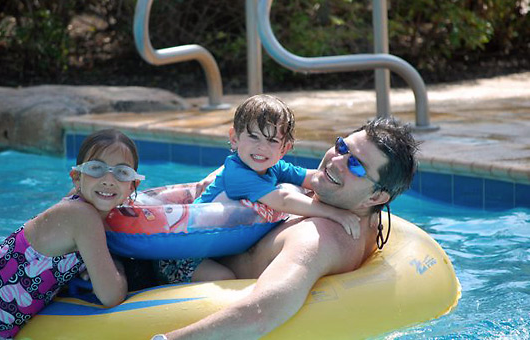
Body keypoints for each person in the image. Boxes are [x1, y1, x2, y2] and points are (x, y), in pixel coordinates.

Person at [151, 116, 418, 340]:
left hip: (164, 274)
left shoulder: (317, 237)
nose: (336, 161)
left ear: (376, 198)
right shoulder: (358, 211)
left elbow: (261, 313)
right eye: (341, 147)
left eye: (356, 165)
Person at [155, 95, 361, 283]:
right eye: (254, 137)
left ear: (285, 148)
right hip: (183, 253)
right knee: (224, 277)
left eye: (272, 141)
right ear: (235, 139)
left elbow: (310, 178)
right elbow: (283, 200)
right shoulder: (238, 173)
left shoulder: (273, 166)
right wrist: (335, 213)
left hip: (212, 248)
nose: (261, 148)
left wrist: (342, 188)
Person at [0, 129, 143, 339]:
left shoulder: (78, 204)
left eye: (121, 172)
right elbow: (111, 296)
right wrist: (119, 266)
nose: (108, 180)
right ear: (77, 177)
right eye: (96, 169)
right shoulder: (83, 216)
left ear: (133, 185)